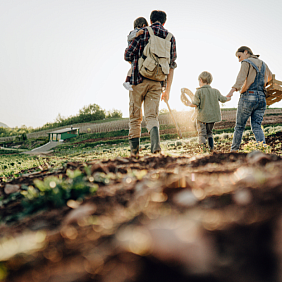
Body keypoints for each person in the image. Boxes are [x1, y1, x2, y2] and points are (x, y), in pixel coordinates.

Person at [124, 10, 177, 156]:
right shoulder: (171, 37)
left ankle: (134, 153)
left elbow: (128, 55)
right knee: (152, 117)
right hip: (158, 83)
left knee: (135, 117)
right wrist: (167, 90)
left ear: (150, 20)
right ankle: (155, 148)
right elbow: (172, 66)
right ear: (164, 22)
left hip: (138, 80)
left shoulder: (143, 32)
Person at [227, 46, 273, 152]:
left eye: (239, 56)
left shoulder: (246, 62)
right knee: (257, 126)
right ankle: (263, 150)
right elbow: (270, 79)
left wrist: (230, 93)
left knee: (239, 127)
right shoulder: (263, 64)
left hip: (248, 97)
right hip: (261, 99)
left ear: (246, 52)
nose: (239, 60)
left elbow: (240, 80)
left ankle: (234, 151)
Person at [185, 71, 231, 152]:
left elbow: (195, 104)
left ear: (200, 80)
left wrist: (189, 104)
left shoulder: (198, 92)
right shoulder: (216, 91)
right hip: (212, 117)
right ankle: (211, 149)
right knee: (209, 133)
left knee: (201, 134)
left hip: (201, 117)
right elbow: (223, 99)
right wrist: (228, 98)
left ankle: (203, 150)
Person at [123, 17, 148, 91]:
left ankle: (127, 81)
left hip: (134, 54)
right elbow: (129, 37)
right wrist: (137, 33)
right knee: (133, 68)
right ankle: (127, 81)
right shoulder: (135, 31)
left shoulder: (136, 31)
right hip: (134, 53)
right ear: (144, 25)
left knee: (132, 68)